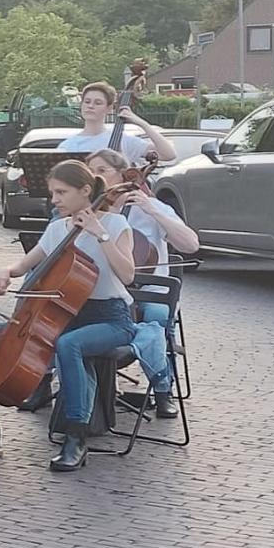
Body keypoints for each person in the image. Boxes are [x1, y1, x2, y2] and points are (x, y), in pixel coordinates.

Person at [0, 160, 136, 472]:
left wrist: (100, 234)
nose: (54, 199)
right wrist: (5, 271)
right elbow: (23, 266)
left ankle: (76, 438)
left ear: (85, 191)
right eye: (53, 193)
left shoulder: (115, 226)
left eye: (61, 192)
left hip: (111, 319)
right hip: (67, 316)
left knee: (69, 345)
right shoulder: (58, 228)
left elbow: (127, 275)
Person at [86, 147, 197, 416]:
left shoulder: (152, 208)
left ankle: (162, 390)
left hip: (150, 290)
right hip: (104, 290)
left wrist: (152, 209)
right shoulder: (92, 212)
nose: (95, 177)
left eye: (102, 171)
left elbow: (191, 245)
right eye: (90, 172)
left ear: (124, 175)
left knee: (156, 317)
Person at [59, 81, 176, 164]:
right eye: (87, 101)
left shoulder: (123, 140)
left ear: (109, 108)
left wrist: (142, 123)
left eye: (98, 102)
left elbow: (168, 155)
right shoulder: (68, 146)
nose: (90, 106)